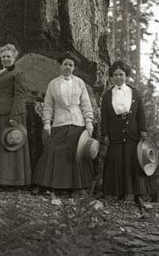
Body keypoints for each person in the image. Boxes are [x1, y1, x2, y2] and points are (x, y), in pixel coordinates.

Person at [32, 53, 95, 204]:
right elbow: (48, 106)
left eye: (71, 65)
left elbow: (86, 104)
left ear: (74, 68)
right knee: (52, 150)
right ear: (60, 66)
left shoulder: (80, 83)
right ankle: (46, 185)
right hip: (59, 123)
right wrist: (47, 123)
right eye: (65, 64)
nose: (68, 67)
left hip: (77, 123)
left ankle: (77, 188)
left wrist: (89, 122)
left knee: (76, 154)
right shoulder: (53, 84)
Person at [0, 44, 31, 187]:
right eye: (3, 56)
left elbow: (20, 96)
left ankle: (10, 181)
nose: (6, 59)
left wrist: (14, 117)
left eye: (8, 56)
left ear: (14, 57)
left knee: (8, 145)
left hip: (9, 114)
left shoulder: (18, 74)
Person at [101, 60, 150, 207]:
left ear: (126, 76)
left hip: (132, 133)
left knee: (134, 163)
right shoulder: (107, 95)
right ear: (111, 77)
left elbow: (140, 113)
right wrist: (105, 134)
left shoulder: (134, 92)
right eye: (115, 75)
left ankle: (138, 196)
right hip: (115, 133)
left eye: (121, 74)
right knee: (117, 162)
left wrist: (143, 130)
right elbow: (104, 117)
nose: (118, 77)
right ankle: (119, 194)